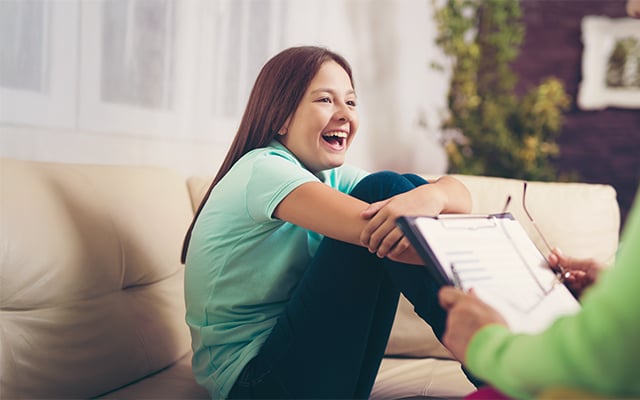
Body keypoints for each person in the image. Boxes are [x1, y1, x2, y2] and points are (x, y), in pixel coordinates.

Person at [182, 45, 472, 399]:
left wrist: (433, 195)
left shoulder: (327, 178)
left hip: (310, 372)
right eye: (325, 100)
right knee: (386, 192)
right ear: (281, 118)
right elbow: (399, 236)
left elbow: (461, 200)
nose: (344, 114)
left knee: (400, 189)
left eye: (350, 102)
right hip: (255, 383)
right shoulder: (263, 170)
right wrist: (428, 220)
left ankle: (500, 359)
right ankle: (498, 363)